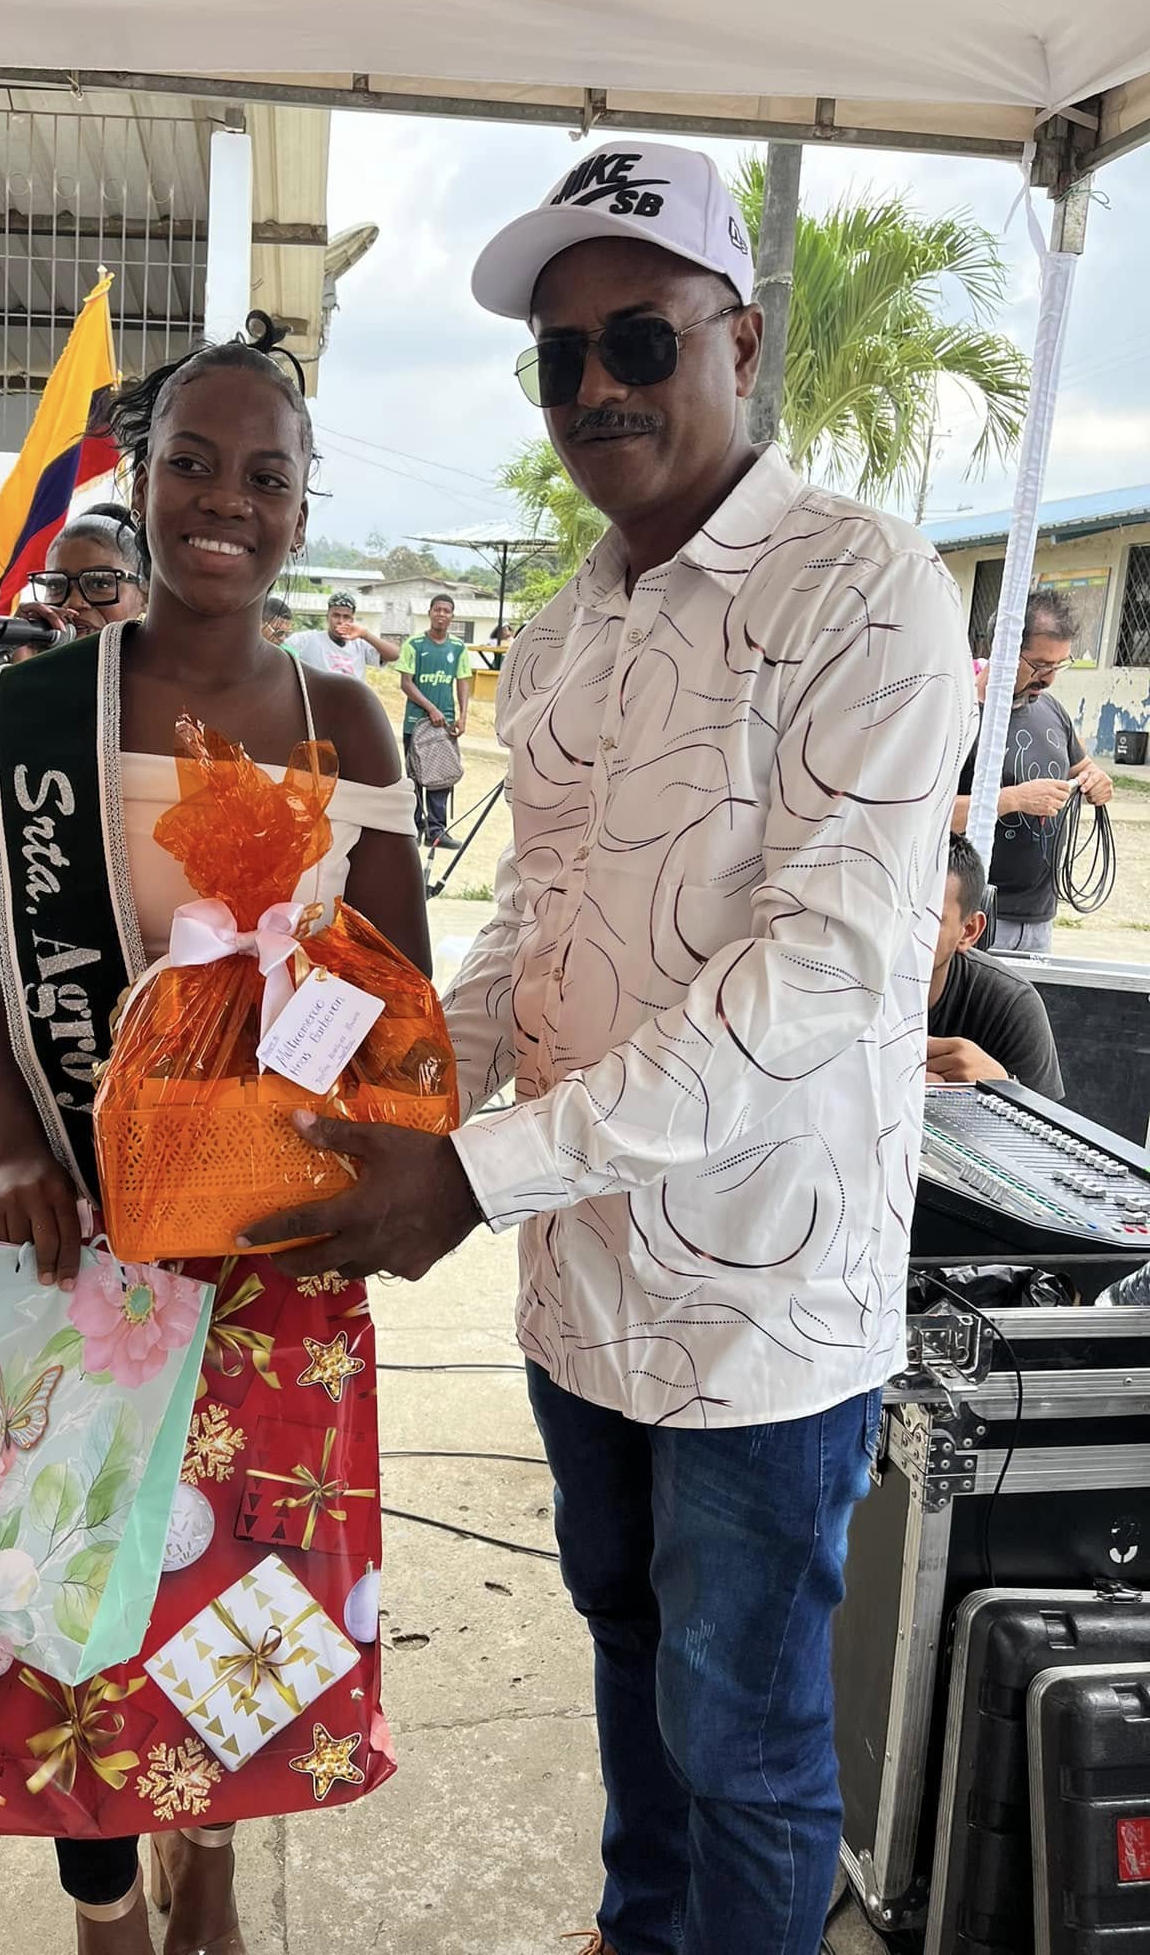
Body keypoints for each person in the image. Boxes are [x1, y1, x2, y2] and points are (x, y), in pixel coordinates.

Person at [243, 139, 974, 1955]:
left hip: (757, 1306)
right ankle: (640, 1929)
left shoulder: (863, 587)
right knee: (632, 1648)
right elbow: (533, 921)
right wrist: (402, 1094)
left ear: (742, 341)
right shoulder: (569, 624)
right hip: (581, 1279)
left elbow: (822, 971)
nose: (595, 390)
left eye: (638, 340)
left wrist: (469, 1173)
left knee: (746, 1735)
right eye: (558, 358)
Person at [0, 314, 426, 1955]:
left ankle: (208, 1850)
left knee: (247, 1595)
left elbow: (400, 983)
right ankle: (103, 1904)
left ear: (303, 507)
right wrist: (15, 1145)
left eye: (265, 475)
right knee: (62, 1599)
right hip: (80, 1233)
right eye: (194, 463)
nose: (227, 500)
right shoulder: (36, 713)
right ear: (140, 481)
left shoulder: (346, 721)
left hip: (273, 1248)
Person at [0, 507, 146, 819]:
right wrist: (16, 680)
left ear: (146, 593)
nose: (74, 602)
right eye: (56, 585)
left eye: (100, 583)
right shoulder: (24, 681)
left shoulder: (166, 681)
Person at [951, 587, 1113, 952]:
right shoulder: (958, 715)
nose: (1048, 678)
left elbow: (1084, 767)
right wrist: (1012, 799)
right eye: (1039, 665)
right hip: (972, 918)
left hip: (1040, 919)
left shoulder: (1052, 710)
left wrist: (1097, 781)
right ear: (1003, 649)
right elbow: (928, 817)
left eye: (1058, 665)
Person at [927, 831, 1063, 1095]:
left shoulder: (1009, 1004)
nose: (900, 931)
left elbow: (1045, 1118)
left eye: (927, 918)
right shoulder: (840, 988)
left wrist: (1003, 1086)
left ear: (969, 931)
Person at [399, 593, 472, 847]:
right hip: (416, 723)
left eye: (446, 610)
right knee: (415, 775)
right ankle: (414, 828)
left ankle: (437, 832)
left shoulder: (458, 648)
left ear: (452, 616)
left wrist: (463, 716)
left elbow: (463, 681)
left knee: (442, 775)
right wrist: (430, 708)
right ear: (430, 612)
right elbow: (406, 683)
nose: (441, 614)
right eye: (437, 609)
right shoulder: (414, 644)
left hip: (445, 724)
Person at [284, 588, 400, 676]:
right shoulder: (308, 640)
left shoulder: (359, 644)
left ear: (352, 620)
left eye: (346, 617)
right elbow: (280, 648)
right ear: (327, 617)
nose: (340, 621)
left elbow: (394, 655)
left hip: (353, 699)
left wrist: (366, 635)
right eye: (336, 615)